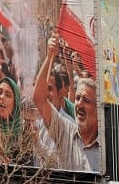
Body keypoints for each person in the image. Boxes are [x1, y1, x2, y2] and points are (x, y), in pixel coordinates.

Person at [33, 36, 100, 171]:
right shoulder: (66, 131)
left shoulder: (107, 148)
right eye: (77, 98)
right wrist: (49, 57)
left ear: (98, 109)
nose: (79, 104)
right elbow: (39, 99)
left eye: (86, 100)